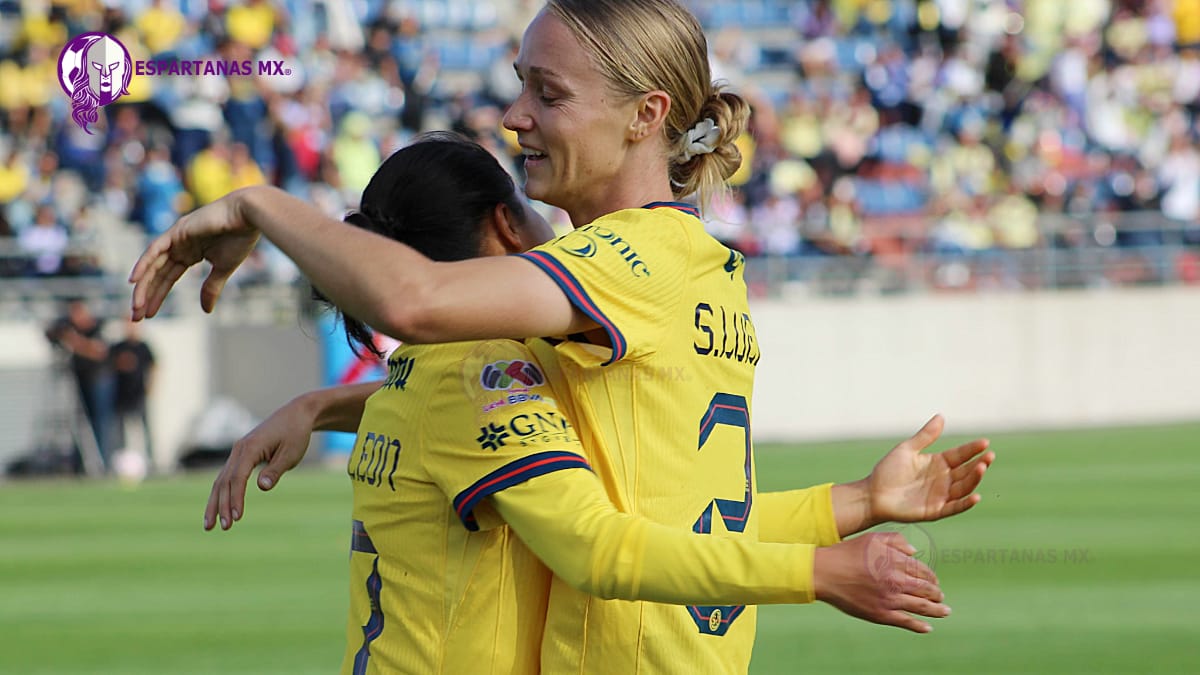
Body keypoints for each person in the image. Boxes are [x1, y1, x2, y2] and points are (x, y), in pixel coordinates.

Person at [132, 2, 993, 671]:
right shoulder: (700, 266)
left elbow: (421, 307)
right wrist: (852, 506)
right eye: (520, 86)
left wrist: (257, 203)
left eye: (548, 93)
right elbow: (682, 517)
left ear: (644, 114)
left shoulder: (614, 266)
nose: (514, 117)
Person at [46, 298, 116, 471]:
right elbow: (49, 334)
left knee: (101, 422)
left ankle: (104, 463)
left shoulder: (96, 328)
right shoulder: (70, 328)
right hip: (80, 380)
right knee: (82, 424)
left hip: (99, 380)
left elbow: (99, 351)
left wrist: (76, 343)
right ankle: (83, 464)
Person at [110, 319, 156, 471]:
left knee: (146, 430)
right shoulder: (118, 347)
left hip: (139, 395)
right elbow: (109, 364)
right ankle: (120, 464)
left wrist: (151, 386)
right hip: (122, 396)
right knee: (120, 433)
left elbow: (154, 366)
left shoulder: (143, 347)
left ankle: (151, 463)